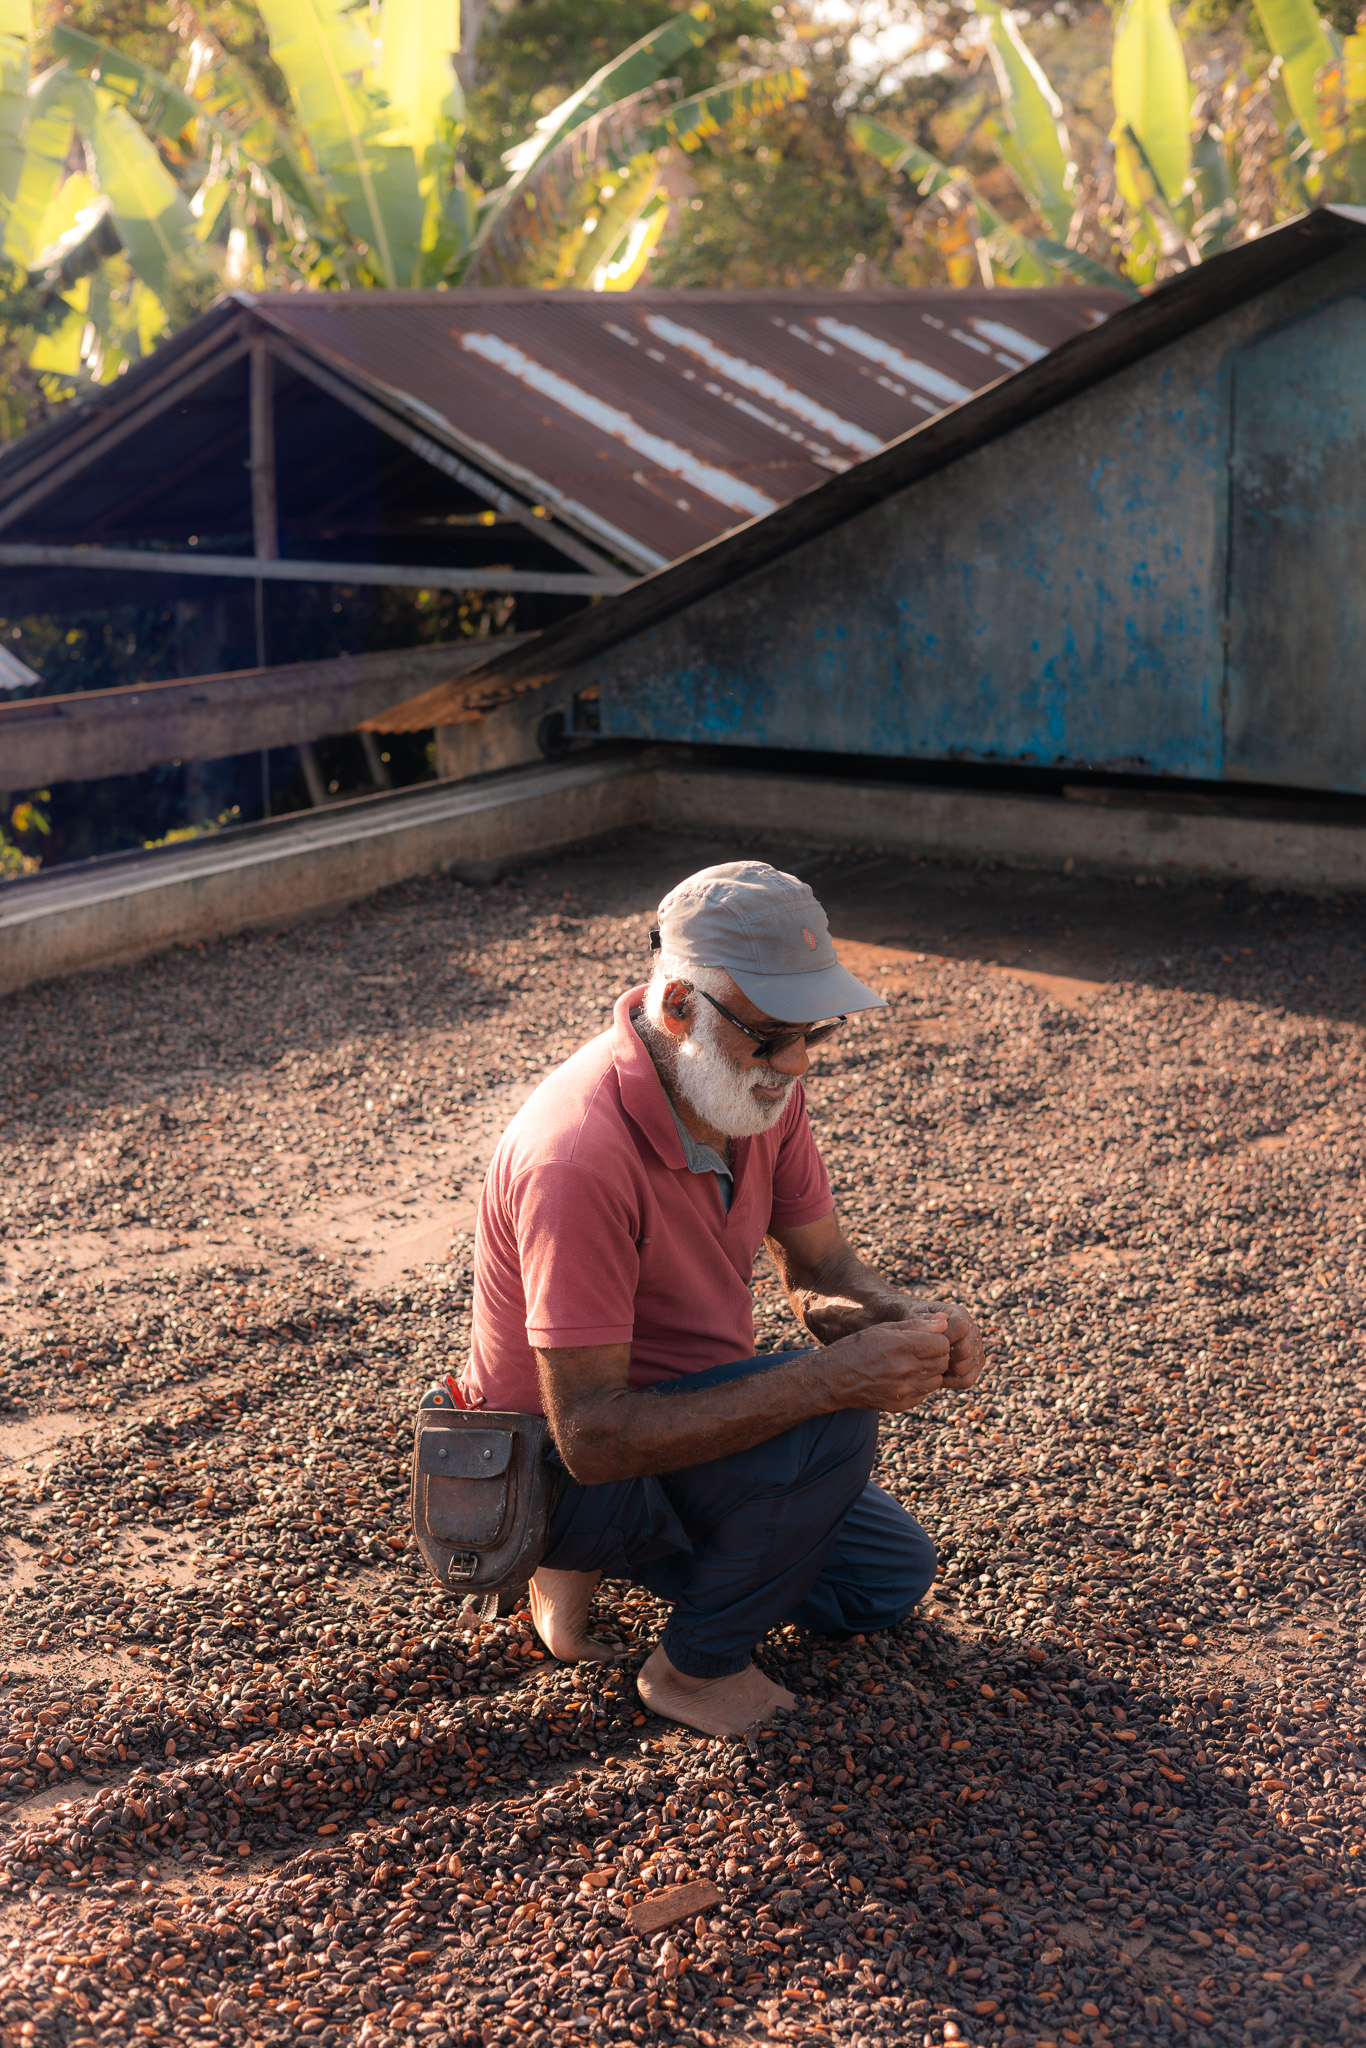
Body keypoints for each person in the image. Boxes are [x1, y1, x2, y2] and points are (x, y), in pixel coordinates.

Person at [461, 860, 986, 1736]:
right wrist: (835, 1382)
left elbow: (819, 1275)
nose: (797, 1062)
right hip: (548, 1464)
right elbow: (588, 1435)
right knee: (835, 1421)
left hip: (676, 1423)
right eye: (773, 1035)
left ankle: (600, 1562)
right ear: (678, 1012)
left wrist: (907, 1323)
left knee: (883, 1579)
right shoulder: (577, 1157)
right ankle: (692, 1670)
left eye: (812, 1032)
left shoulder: (756, 1093)